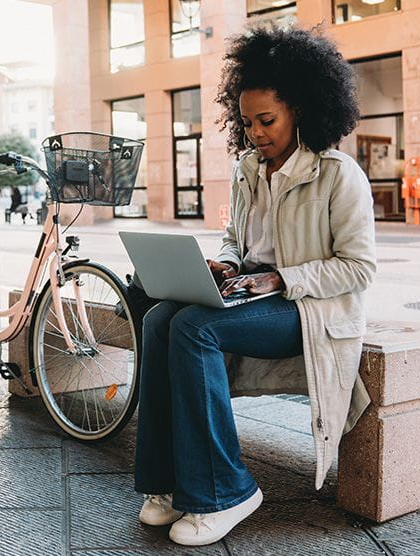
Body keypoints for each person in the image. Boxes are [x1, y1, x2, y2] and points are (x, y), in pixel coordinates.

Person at [133, 25, 376, 547]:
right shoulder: (247, 169)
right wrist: (225, 264)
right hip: (250, 298)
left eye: (266, 120)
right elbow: (233, 238)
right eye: (246, 122)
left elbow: (358, 268)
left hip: (309, 309)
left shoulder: (339, 175)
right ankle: (167, 484)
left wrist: (281, 277)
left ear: (301, 111)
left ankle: (227, 491)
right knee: (158, 319)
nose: (256, 133)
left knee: (195, 327)